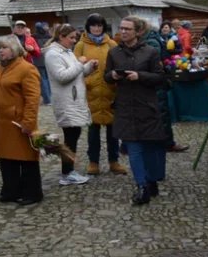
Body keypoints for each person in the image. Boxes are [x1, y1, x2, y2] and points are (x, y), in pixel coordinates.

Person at [105, 16, 166, 206]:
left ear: (138, 32)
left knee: (149, 147)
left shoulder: (150, 52)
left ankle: (151, 179)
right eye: (121, 28)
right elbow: (106, 76)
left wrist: (140, 76)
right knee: (133, 148)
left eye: (127, 29)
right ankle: (141, 186)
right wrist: (112, 75)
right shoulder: (114, 52)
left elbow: (160, 77)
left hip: (146, 106)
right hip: (124, 107)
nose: (123, 32)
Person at [0, 35, 43, 206]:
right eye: (0, 47)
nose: (1, 50)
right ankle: (10, 190)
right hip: (1, 122)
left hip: (18, 122)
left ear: (15, 49)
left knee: (26, 158)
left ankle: (32, 192)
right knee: (6, 157)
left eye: (5, 48)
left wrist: (29, 122)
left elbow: (33, 98)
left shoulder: (26, 69)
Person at [74, 14, 127, 177]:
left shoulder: (112, 44)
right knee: (93, 132)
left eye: (99, 26)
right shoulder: (80, 45)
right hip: (91, 94)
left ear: (104, 27)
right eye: (93, 26)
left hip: (110, 91)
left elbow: (120, 65)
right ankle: (93, 162)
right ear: (88, 27)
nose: (96, 29)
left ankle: (114, 161)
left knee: (113, 131)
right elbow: (75, 69)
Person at [43, 24, 94, 186]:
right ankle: (67, 173)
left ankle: (69, 171)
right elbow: (62, 76)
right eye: (71, 38)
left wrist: (89, 67)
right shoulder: (52, 54)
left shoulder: (67, 52)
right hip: (66, 102)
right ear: (61, 37)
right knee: (70, 139)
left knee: (73, 137)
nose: (74, 41)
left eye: (75, 38)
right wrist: (80, 64)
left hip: (75, 101)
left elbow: (77, 73)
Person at [143, 24, 189, 154]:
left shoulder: (151, 41)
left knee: (161, 113)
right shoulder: (154, 39)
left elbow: (153, 61)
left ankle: (166, 143)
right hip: (154, 80)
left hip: (155, 81)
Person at [32, 22, 52, 105]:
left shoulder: (34, 37)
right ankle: (50, 98)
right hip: (49, 60)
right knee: (49, 80)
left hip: (39, 61)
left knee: (43, 80)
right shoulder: (49, 37)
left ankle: (47, 99)